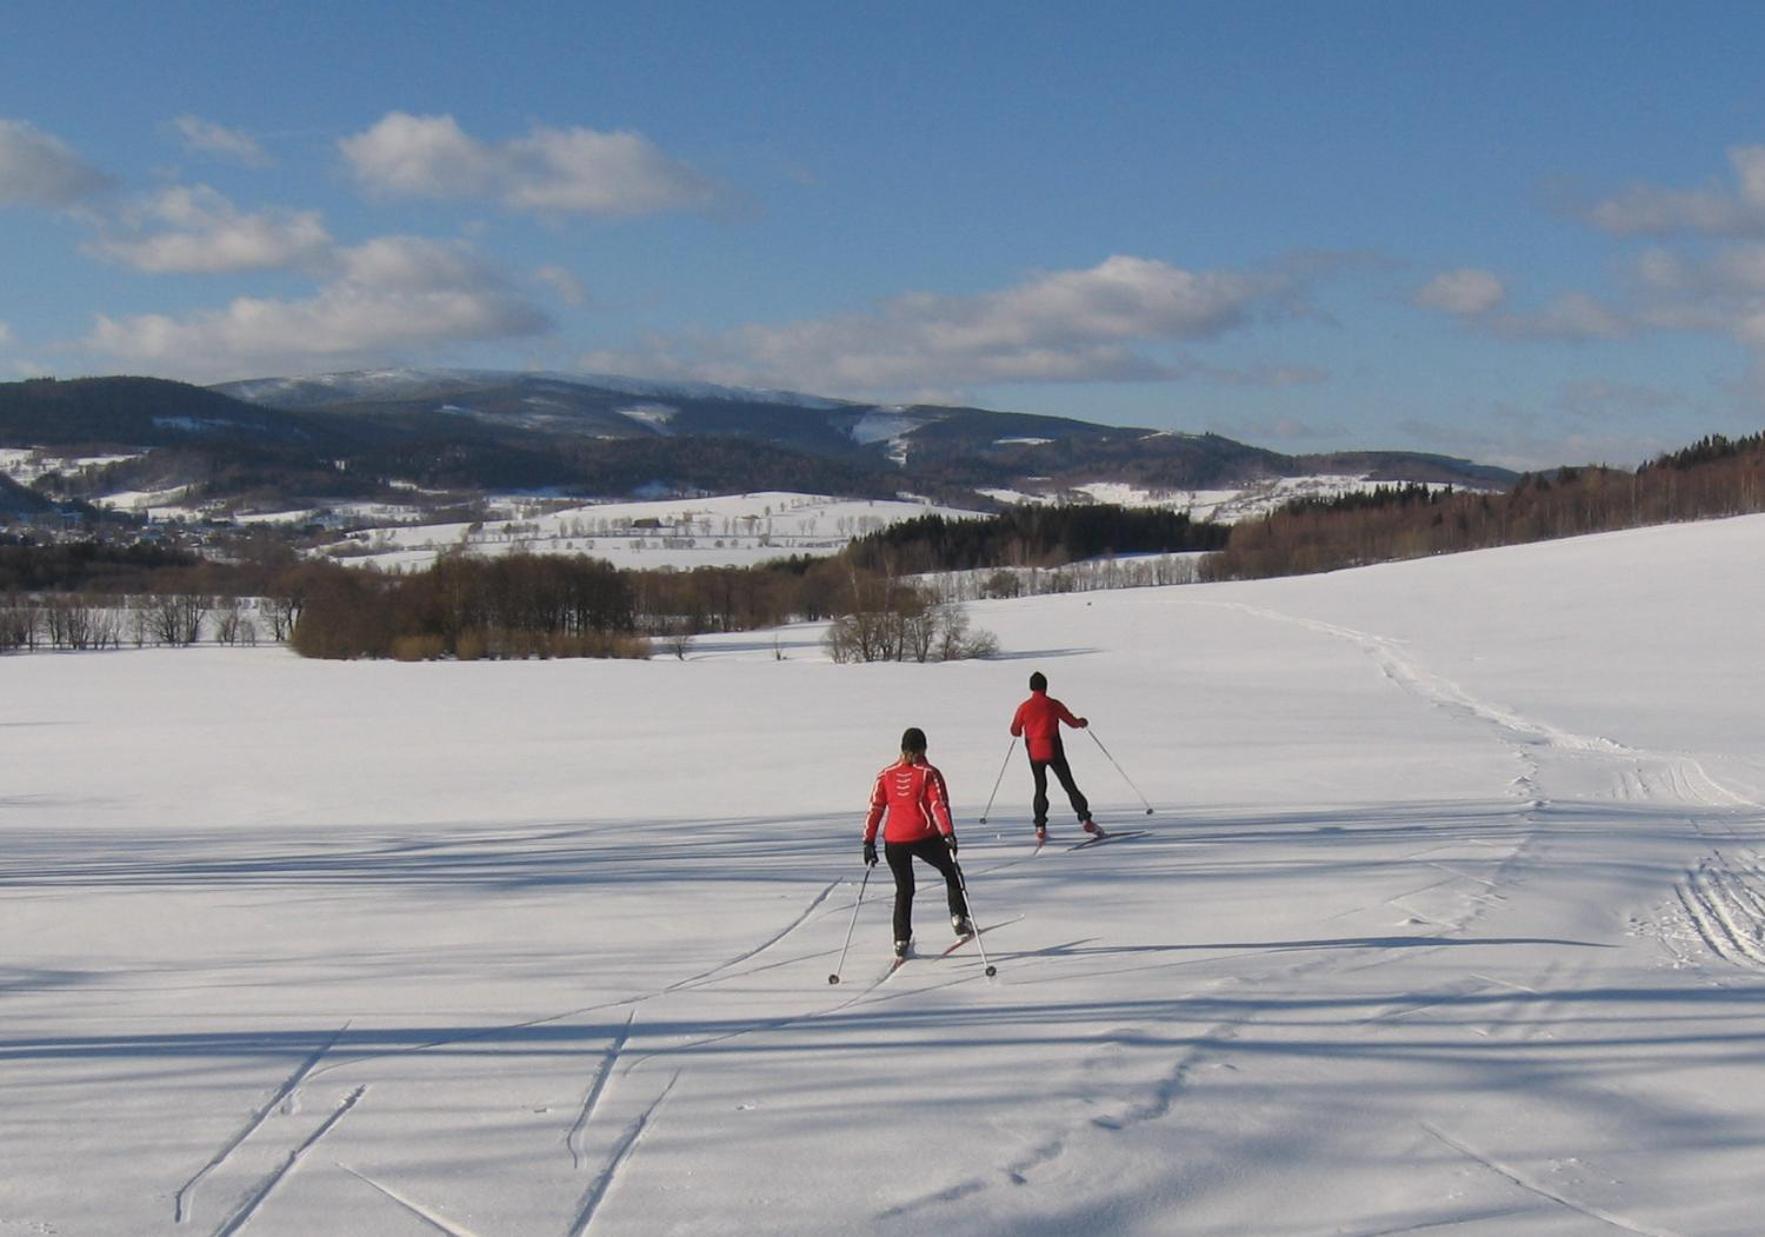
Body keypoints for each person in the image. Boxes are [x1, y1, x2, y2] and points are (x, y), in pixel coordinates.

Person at [862, 727, 971, 959]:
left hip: (894, 840)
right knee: (950, 870)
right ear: (923, 749)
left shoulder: (885, 774)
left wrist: (868, 841)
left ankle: (901, 939)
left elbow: (876, 808)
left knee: (904, 888)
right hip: (924, 836)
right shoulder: (929, 773)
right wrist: (948, 833)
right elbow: (938, 805)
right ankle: (959, 918)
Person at [1010, 670, 1095, 843]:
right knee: (1068, 785)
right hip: (1053, 748)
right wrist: (1082, 722)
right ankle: (1085, 818)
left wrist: (1022, 730)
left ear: (1031, 687)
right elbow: (1071, 722)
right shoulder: (1053, 704)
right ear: (1045, 687)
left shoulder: (1024, 707)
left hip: (1034, 751)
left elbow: (1015, 730)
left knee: (1040, 787)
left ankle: (1040, 826)